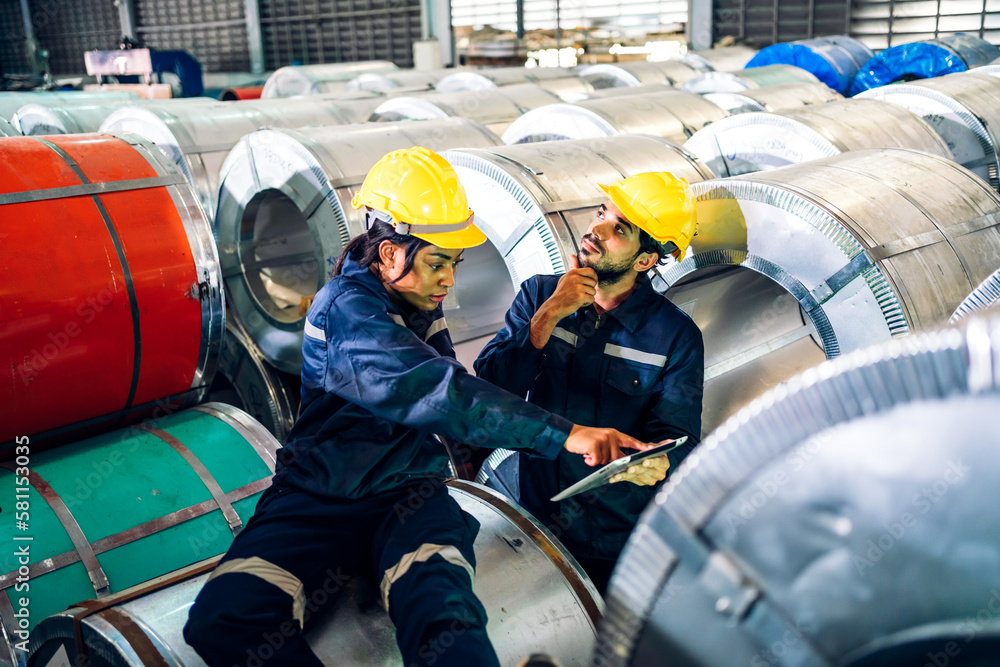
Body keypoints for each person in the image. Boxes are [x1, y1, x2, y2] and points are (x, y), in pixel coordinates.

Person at [183, 147, 656, 667]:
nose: (450, 280)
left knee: (442, 611)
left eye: (454, 264)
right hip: (322, 497)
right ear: (388, 254)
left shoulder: (414, 305)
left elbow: (466, 402)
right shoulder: (348, 312)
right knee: (227, 617)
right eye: (437, 263)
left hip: (409, 492)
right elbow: (437, 391)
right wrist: (565, 433)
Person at [474, 172, 705, 594]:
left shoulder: (675, 335)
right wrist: (547, 316)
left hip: (616, 540)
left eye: (619, 229)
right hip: (537, 521)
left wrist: (661, 463)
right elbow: (491, 386)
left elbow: (680, 435)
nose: (596, 230)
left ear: (645, 261)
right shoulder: (539, 294)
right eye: (602, 213)